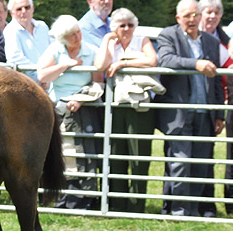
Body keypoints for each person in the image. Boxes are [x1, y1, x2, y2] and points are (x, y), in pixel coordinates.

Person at [155, 0, 225, 217]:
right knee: (181, 163)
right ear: (178, 18)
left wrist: (219, 114)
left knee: (200, 165)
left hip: (205, 112)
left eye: (195, 15)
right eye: (187, 16)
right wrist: (195, 64)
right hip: (179, 112)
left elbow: (216, 82)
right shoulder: (168, 35)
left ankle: (193, 210)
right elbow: (165, 59)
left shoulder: (211, 42)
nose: (192, 20)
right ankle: (179, 211)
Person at [95, 8, 158, 213]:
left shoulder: (142, 40)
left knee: (138, 155)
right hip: (115, 105)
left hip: (139, 106)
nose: (127, 29)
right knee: (116, 154)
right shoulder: (111, 44)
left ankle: (136, 205)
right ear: (115, 27)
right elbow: (100, 65)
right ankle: (117, 203)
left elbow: (152, 61)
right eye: (122, 25)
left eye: (130, 24)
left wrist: (123, 63)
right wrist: (106, 40)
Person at [38, 15, 104, 209]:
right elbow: (42, 74)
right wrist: (66, 65)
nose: (78, 37)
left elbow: (98, 81)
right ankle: (61, 197)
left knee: (84, 152)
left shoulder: (91, 50)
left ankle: (84, 198)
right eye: (72, 35)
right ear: (63, 39)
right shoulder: (56, 50)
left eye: (78, 32)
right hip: (58, 108)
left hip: (83, 107)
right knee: (61, 153)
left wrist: (81, 99)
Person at [199, 0, 232, 215]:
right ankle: (198, 202)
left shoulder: (226, 40)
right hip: (196, 102)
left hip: (219, 102)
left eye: (216, 12)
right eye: (208, 12)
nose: (212, 16)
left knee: (218, 153)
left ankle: (220, 202)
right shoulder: (190, 34)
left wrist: (222, 109)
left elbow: (228, 73)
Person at [3, 0, 50, 83]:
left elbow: (52, 53)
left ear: (33, 9)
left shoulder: (43, 27)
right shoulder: (10, 31)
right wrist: (40, 77)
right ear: (12, 13)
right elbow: (15, 59)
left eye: (27, 7)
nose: (24, 11)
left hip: (50, 80)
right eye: (19, 9)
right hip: (27, 84)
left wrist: (49, 77)